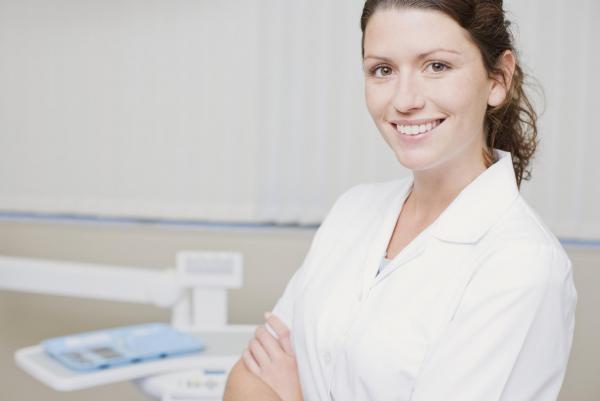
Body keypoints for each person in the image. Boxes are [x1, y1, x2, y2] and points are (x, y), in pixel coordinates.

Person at [224, 1, 577, 400]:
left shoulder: (522, 264)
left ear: (498, 78)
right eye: (383, 70)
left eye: (436, 66)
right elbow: (248, 378)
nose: (405, 99)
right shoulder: (353, 210)